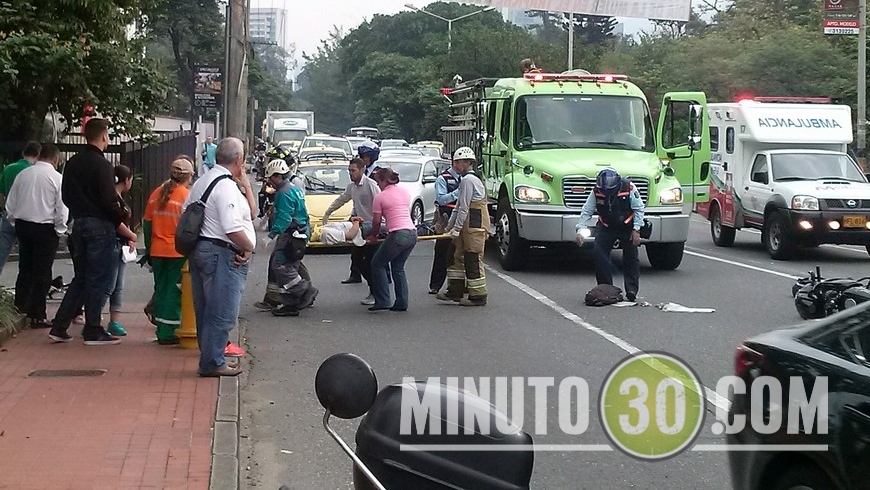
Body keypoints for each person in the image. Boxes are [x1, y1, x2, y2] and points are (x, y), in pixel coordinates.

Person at [49, 118, 125, 345]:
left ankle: (60, 325)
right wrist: (121, 215)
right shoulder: (102, 165)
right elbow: (108, 198)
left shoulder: (73, 163)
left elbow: (65, 195)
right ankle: (93, 328)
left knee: (82, 277)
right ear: (103, 136)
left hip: (79, 223)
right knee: (98, 278)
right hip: (99, 225)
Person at [185, 137, 254, 377]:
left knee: (205, 308)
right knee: (222, 310)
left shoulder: (202, 181)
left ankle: (211, 355)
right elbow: (232, 228)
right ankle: (213, 361)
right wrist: (247, 247)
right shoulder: (225, 187)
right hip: (221, 253)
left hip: (201, 250)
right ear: (239, 159)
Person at [5, 143, 68, 328]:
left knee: (25, 267)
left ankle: (21, 305)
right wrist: (59, 230)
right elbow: (62, 208)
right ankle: (37, 313)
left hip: (23, 225)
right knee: (42, 271)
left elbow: (10, 204)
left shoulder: (23, 175)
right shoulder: (56, 178)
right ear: (56, 159)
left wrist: (15, 223)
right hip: (45, 228)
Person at [253, 159, 318, 317]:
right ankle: (288, 301)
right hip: (300, 232)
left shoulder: (283, 193)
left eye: (270, 178)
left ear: (277, 176)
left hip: (291, 233)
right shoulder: (293, 189)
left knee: (281, 266)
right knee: (291, 265)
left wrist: (271, 235)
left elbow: (284, 218)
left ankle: (303, 291)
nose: (269, 182)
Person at [142, 155, 194, 344]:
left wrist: (148, 251)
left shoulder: (157, 193)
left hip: (157, 250)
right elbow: (190, 227)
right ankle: (169, 331)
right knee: (174, 292)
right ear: (188, 176)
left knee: (162, 289)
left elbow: (147, 225)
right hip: (176, 252)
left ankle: (162, 330)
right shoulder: (186, 196)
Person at [575, 167, 645, 302]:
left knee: (631, 258)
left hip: (627, 226)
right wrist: (580, 230)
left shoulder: (629, 187)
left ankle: (631, 290)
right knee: (599, 255)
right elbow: (587, 210)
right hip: (606, 226)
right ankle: (606, 288)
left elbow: (639, 209)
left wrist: (636, 229)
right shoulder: (596, 191)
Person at [322, 157, 380, 305]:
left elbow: (381, 204)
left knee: (372, 262)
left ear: (362, 170)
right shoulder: (352, 187)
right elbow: (342, 199)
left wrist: (380, 227)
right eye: (349, 171)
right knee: (358, 260)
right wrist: (328, 212)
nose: (351, 173)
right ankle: (375, 289)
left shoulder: (371, 185)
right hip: (359, 229)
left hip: (373, 228)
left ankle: (376, 292)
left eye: (353, 171)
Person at [437, 147, 489, 307]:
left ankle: (478, 296)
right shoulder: (465, 179)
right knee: (455, 255)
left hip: (474, 224)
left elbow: (464, 207)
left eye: (457, 163)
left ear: (466, 163)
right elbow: (458, 207)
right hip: (467, 223)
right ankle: (455, 290)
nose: (455, 166)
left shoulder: (468, 180)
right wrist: (449, 229)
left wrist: (456, 228)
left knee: (472, 257)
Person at [366, 168, 416, 312]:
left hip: (397, 234)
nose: (377, 185)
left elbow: (376, 222)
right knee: (398, 267)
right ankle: (402, 302)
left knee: (377, 264)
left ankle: (383, 300)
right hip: (411, 232)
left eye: (378, 182)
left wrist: (373, 236)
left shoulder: (380, 197)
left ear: (383, 180)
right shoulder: (404, 192)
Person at [340, 140, 382, 284]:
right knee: (357, 253)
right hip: (360, 220)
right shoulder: (354, 179)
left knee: (373, 257)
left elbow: (380, 200)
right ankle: (356, 274)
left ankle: (380, 283)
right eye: (363, 156)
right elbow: (347, 197)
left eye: (367, 157)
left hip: (373, 222)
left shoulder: (377, 174)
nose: (365, 159)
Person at [104, 165, 138, 337]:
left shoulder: (118, 198)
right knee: (110, 285)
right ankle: (96, 320)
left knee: (117, 285)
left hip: (121, 245)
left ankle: (113, 321)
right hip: (114, 244)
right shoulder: (114, 200)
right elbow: (117, 223)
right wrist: (132, 235)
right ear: (126, 180)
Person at [0, 141, 40, 275]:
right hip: (27, 218)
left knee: (2, 251)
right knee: (27, 257)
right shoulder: (32, 172)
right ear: (38, 156)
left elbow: (1, 194)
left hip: (8, 214)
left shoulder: (8, 168)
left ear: (24, 153)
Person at [428, 158, 462, 294]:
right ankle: (435, 285)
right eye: (462, 162)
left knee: (458, 253)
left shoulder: (467, 178)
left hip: (461, 217)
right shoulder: (443, 179)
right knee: (442, 251)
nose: (465, 165)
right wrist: (458, 192)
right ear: (455, 163)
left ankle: (456, 286)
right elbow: (441, 199)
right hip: (446, 218)